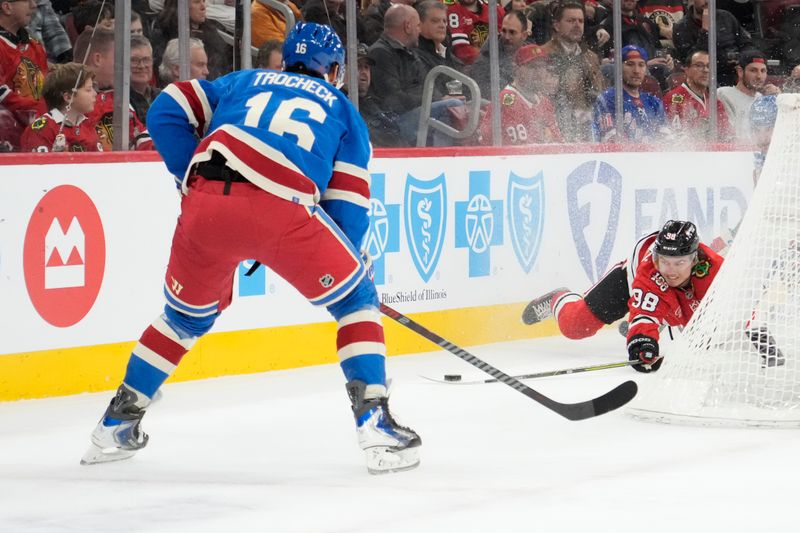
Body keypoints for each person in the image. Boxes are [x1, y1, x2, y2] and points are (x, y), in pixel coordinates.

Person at [80, 22, 421, 475]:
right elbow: (348, 206)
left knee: (182, 318)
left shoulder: (241, 81)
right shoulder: (342, 109)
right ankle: (375, 424)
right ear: (333, 69)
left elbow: (165, 107)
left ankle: (115, 425)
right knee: (355, 301)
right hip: (284, 204)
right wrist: (350, 262)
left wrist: (192, 177)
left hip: (204, 203)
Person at [523, 221, 725, 373]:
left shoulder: (717, 271)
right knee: (574, 326)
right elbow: (644, 313)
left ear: (694, 259)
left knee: (700, 331)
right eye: (665, 261)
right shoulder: (649, 272)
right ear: (656, 258)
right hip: (631, 280)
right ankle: (558, 299)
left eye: (679, 263)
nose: (670, 271)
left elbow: (739, 310)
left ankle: (664, 321)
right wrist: (642, 342)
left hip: (684, 298)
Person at [73, 29, 152, 150]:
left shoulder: (116, 97)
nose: (124, 66)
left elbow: (140, 137)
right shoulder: (69, 99)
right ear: (97, 59)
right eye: (119, 59)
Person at [540, 1, 605, 142]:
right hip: (556, 128)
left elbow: (600, 93)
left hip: (589, 127)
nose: (577, 25)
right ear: (556, 25)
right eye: (570, 20)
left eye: (580, 21)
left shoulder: (591, 57)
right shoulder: (542, 55)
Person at [479, 43, 562, 145]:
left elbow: (558, 141)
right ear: (517, 69)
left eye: (542, 67)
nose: (539, 72)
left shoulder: (544, 101)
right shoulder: (508, 100)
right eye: (532, 67)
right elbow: (522, 148)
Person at [592, 44, 670, 143]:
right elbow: (608, 140)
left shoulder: (654, 102)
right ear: (619, 67)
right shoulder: (607, 99)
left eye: (641, 65)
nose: (636, 71)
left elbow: (667, 139)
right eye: (630, 64)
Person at [20, 61, 102, 151]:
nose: (95, 93)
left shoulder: (87, 125)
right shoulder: (41, 130)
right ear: (68, 97)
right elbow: (38, 164)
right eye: (89, 89)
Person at [0, 0, 48, 151]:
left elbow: (44, 89)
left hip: (36, 134)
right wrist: (36, 109)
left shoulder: (36, 46)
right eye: (28, 1)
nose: (34, 6)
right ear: (6, 7)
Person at [672, 0, 755, 88]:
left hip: (735, 72)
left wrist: (742, 58)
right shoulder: (681, 28)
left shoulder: (726, 17)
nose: (707, 1)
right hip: (708, 77)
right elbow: (690, 60)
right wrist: (705, 32)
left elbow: (747, 45)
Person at [662, 49, 731, 142]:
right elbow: (676, 139)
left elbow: (727, 135)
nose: (706, 70)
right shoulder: (675, 98)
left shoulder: (715, 103)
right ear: (686, 69)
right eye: (699, 65)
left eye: (709, 66)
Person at [717, 49, 781, 143]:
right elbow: (727, 136)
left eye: (763, 71)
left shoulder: (763, 100)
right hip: (733, 154)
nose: (759, 76)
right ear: (740, 72)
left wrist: (779, 101)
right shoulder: (724, 94)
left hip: (758, 154)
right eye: (753, 70)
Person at [470, 10, 531, 99]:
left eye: (512, 32)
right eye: (504, 31)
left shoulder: (530, 55)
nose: (506, 37)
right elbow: (487, 97)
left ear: (524, 35)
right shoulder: (486, 59)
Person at [446, 0, 504, 65]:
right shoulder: (452, 11)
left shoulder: (495, 9)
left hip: (498, 64)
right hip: (469, 69)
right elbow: (462, 51)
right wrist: (488, 63)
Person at [130, 35, 159, 125]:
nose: (142, 66)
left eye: (146, 59)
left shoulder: (162, 96)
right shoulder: (118, 100)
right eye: (134, 60)